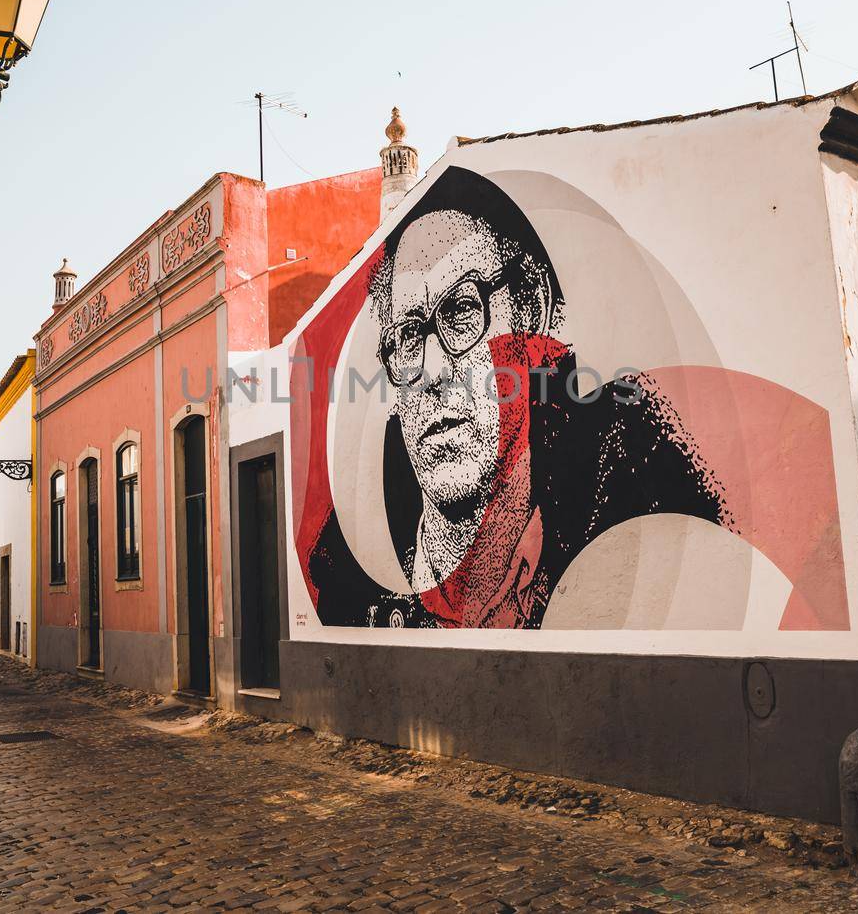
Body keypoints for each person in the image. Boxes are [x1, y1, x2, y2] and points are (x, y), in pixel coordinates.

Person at [304, 167, 729, 629]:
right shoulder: (343, 583)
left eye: (461, 310)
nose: (430, 371)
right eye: (407, 338)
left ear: (531, 314)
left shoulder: (639, 499)